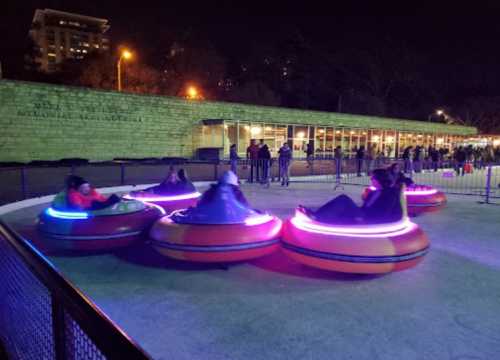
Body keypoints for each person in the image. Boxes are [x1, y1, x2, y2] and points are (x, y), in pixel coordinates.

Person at [300, 168, 403, 225]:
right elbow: (366, 206)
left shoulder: (390, 193)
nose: (371, 180)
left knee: (344, 200)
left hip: (372, 219)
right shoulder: (374, 192)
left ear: (380, 179)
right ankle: (318, 215)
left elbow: (384, 213)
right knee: (343, 203)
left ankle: (318, 217)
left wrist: (361, 218)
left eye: (373, 178)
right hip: (365, 213)